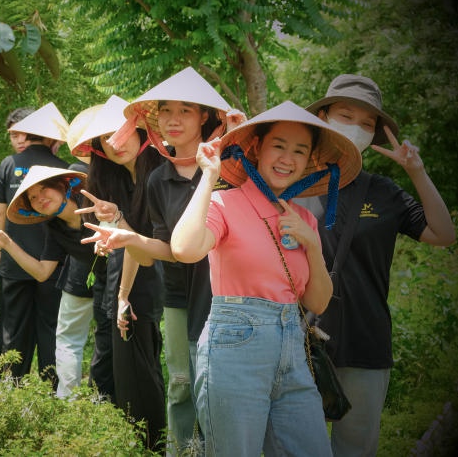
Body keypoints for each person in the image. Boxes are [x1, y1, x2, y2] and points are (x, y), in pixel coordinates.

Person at [170, 101, 362, 456]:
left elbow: (317, 303)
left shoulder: (305, 217)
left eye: (299, 151)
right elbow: (184, 248)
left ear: (309, 162)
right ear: (257, 149)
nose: (288, 158)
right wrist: (209, 177)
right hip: (235, 351)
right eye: (279, 145)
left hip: (293, 349)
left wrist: (313, 247)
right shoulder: (225, 204)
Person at [81, 67, 243, 454]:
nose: (173, 119)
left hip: (231, 295)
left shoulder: (234, 170)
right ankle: (179, 450)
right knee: (182, 382)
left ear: (205, 117)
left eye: (185, 110)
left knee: (221, 386)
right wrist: (127, 236)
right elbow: (164, 249)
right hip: (179, 295)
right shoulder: (159, 178)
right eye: (166, 110)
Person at [299, 74, 455, 456]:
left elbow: (443, 233)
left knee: (356, 447)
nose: (355, 127)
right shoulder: (293, 184)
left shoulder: (384, 193)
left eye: (367, 124)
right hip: (298, 340)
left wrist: (415, 170)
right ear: (323, 116)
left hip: (366, 340)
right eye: (345, 115)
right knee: (299, 446)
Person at [74, 96, 166, 451]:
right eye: (105, 139)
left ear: (142, 131)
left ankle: (150, 445)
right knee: (109, 369)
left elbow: (145, 252)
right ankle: (113, 440)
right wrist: (111, 227)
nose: (115, 143)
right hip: (120, 281)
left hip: (156, 282)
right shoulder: (113, 180)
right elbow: (128, 239)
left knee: (140, 373)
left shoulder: (160, 174)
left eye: (122, 133)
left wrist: (124, 295)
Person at [0, 165, 112, 399]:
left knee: (108, 343)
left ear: (61, 187)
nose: (40, 198)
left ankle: (104, 401)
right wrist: (7, 243)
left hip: (117, 278)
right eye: (32, 197)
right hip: (82, 277)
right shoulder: (54, 227)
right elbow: (42, 272)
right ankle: (66, 400)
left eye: (44, 190)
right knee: (67, 341)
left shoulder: (94, 207)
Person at [0, 102, 69, 385]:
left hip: (15, 259)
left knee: (14, 327)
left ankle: (11, 386)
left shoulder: (8, 165)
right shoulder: (63, 168)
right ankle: (52, 388)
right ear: (52, 137)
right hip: (54, 263)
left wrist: (1, 251)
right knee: (51, 327)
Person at [0, 107, 36, 359]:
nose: (20, 141)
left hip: (46, 261)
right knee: (10, 324)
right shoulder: (4, 168)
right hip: (13, 258)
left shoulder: (55, 169)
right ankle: (4, 379)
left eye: (25, 135)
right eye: (14, 135)